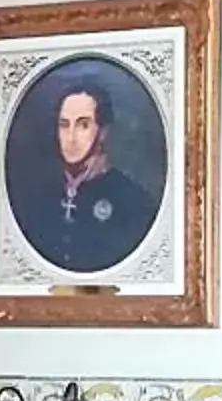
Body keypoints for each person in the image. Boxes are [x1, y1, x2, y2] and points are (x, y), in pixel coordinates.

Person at [14, 68, 160, 273]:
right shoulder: (37, 195)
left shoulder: (134, 201)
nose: (71, 138)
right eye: (64, 125)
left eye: (83, 125)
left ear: (103, 132)